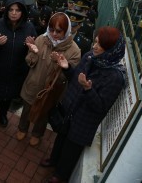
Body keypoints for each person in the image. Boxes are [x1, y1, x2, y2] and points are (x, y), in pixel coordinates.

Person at [42, 27, 126, 183]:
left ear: (111, 50)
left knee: (71, 150)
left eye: (100, 46)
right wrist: (66, 67)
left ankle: (60, 175)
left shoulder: (115, 77)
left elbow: (101, 106)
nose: (94, 47)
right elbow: (76, 78)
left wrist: (88, 89)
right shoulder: (89, 57)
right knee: (60, 139)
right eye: (95, 42)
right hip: (70, 110)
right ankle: (53, 160)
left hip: (84, 120)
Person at [17, 12, 81, 146]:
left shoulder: (74, 50)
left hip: (52, 89)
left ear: (67, 30)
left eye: (59, 31)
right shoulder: (41, 39)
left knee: (44, 112)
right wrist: (34, 53)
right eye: (51, 29)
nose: (54, 34)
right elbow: (29, 62)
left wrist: (60, 65)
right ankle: (22, 128)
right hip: (34, 83)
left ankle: (37, 133)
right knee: (27, 108)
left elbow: (70, 76)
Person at [0, 0, 37, 127]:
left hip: (16, 71)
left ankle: (3, 115)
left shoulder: (29, 27)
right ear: (6, 10)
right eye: (11, 10)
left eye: (17, 10)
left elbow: (35, 49)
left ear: (23, 12)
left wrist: (32, 47)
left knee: (8, 95)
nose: (14, 13)